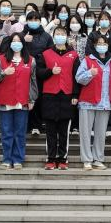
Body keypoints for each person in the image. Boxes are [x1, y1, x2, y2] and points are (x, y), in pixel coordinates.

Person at [0, 33, 38, 170]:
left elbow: (33, 82)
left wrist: (32, 99)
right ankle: (6, 159)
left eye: (19, 41)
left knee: (20, 132)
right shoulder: (0, 59)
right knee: (6, 132)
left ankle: (17, 159)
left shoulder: (31, 60)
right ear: (10, 43)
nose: (16, 43)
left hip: (22, 101)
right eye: (13, 41)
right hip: (5, 101)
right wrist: (4, 72)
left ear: (23, 43)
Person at [36, 27, 80, 170]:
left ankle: (62, 159)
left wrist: (75, 95)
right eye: (57, 34)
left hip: (67, 95)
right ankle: (50, 159)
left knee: (63, 130)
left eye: (62, 34)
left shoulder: (73, 55)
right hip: (49, 95)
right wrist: (51, 71)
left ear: (66, 36)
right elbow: (39, 73)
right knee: (50, 130)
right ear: (53, 36)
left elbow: (77, 76)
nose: (60, 36)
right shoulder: (46, 53)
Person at [75, 35, 111, 170]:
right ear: (94, 45)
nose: (102, 46)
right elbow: (78, 78)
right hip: (88, 102)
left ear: (108, 46)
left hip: (105, 103)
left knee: (100, 133)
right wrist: (89, 73)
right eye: (99, 43)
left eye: (104, 43)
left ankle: (98, 159)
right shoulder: (87, 60)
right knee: (85, 133)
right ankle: (87, 159)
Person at [23, 11, 54, 136]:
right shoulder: (22, 34)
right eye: (31, 19)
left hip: (40, 71)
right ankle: (27, 124)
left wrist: (39, 60)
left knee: (38, 97)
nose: (33, 22)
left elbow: (50, 53)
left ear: (40, 21)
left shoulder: (46, 36)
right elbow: (13, 48)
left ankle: (37, 125)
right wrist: (23, 40)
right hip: (24, 70)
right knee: (25, 97)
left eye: (36, 19)